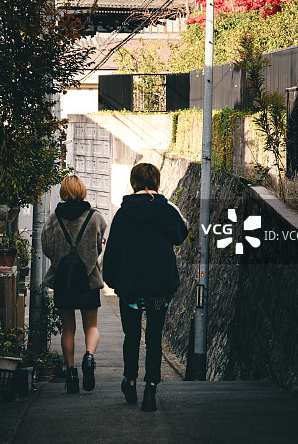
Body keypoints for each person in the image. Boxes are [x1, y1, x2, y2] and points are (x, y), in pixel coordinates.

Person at [103, 162, 189, 412]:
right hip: (160, 287)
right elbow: (181, 234)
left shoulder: (123, 212)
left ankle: (130, 380)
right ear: (157, 181)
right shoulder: (167, 209)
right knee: (154, 338)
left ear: (134, 182)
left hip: (130, 287)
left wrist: (112, 281)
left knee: (132, 336)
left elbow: (113, 250)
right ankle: (150, 389)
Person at [42, 175, 107, 394]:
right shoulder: (96, 218)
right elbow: (99, 248)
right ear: (82, 191)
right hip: (88, 280)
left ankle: (71, 373)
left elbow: (47, 249)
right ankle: (88, 358)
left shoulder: (53, 218)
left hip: (63, 280)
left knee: (68, 329)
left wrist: (60, 259)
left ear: (63, 192)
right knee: (92, 327)